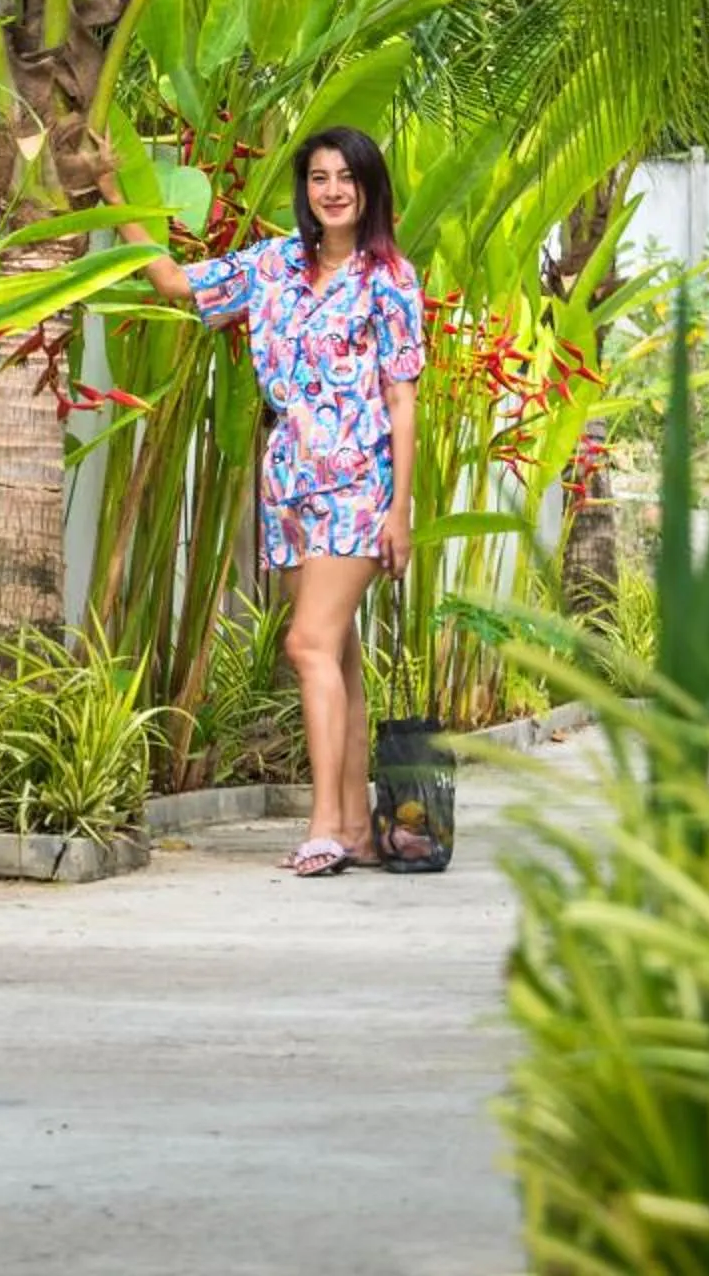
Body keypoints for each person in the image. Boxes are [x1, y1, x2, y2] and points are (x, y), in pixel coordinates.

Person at [98, 126, 425, 879]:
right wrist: (114, 194)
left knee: (307, 645)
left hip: (356, 480)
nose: (333, 190)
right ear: (304, 188)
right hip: (287, 484)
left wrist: (398, 508)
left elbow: (402, 398)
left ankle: (321, 828)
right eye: (318, 177)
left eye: (347, 176)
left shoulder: (389, 277)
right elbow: (179, 286)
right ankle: (356, 826)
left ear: (370, 188)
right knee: (335, 652)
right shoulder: (274, 262)